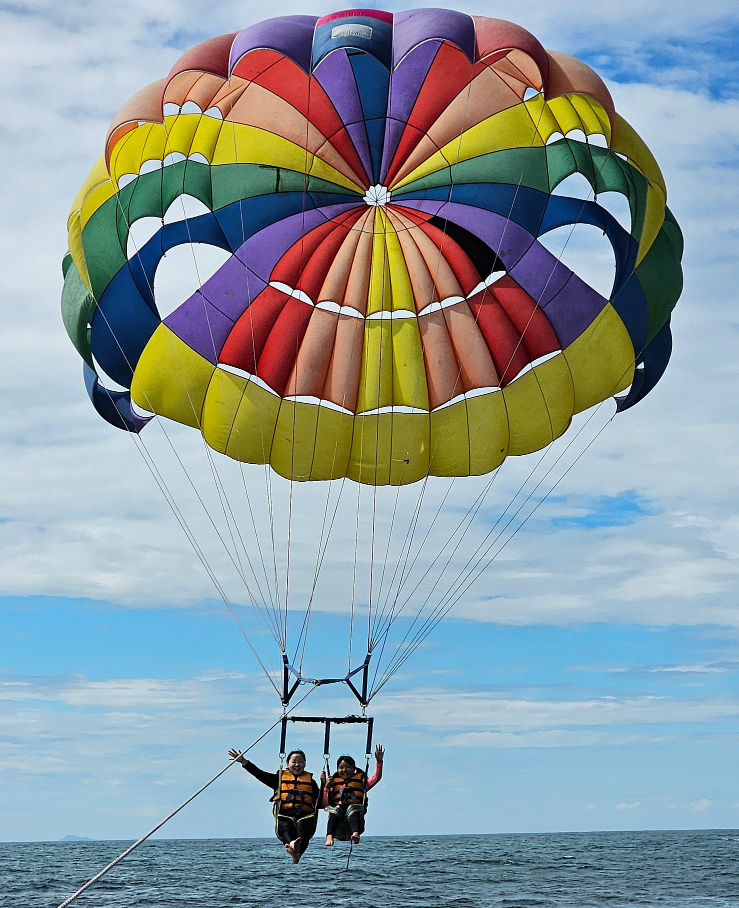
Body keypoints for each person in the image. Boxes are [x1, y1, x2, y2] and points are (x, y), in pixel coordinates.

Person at [228, 747, 321, 863]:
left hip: (305, 815)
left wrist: (326, 785)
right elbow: (260, 774)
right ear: (287, 763)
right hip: (284, 814)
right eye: (294, 761)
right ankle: (292, 845)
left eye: (301, 761)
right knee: (286, 827)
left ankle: (296, 852)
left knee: (304, 829)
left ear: (305, 764)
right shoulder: (279, 780)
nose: (297, 764)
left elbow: (320, 802)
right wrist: (244, 761)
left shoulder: (311, 783)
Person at [320, 744, 384, 846]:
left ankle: (355, 833)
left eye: (348, 767)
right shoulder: (333, 783)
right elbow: (324, 803)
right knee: (334, 811)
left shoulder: (361, 782)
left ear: (354, 768)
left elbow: (376, 778)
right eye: (341, 768)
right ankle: (329, 836)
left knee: (352, 809)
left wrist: (379, 762)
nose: (344, 770)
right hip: (339, 814)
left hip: (355, 811)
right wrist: (325, 786)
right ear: (337, 769)